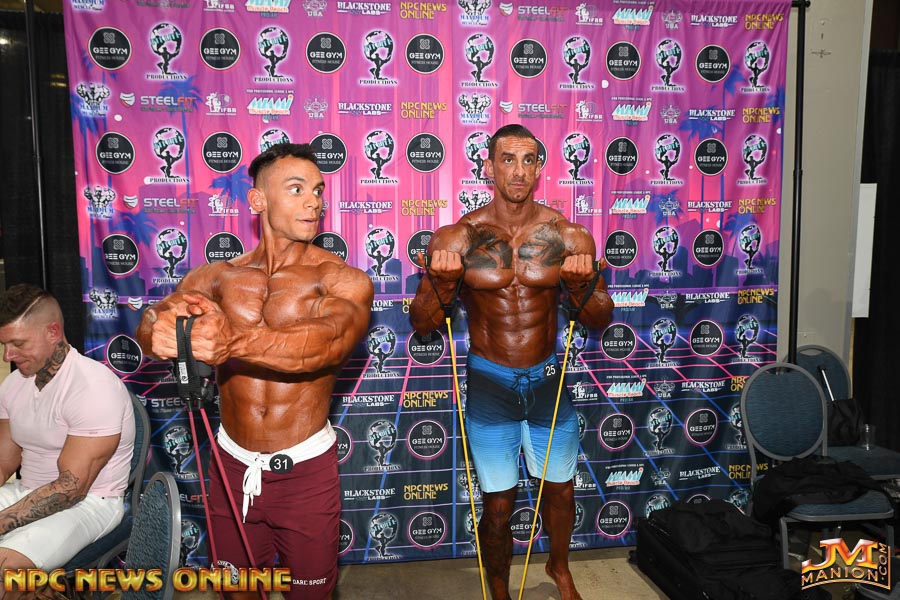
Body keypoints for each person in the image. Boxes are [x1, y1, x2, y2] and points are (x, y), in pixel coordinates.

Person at [136, 143, 374, 599]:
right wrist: (158, 331)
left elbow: (327, 344)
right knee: (238, 592)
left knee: (311, 595)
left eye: (318, 190)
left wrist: (234, 342)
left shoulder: (341, 279)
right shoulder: (215, 278)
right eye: (297, 189)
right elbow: (153, 320)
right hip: (231, 466)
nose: (313, 202)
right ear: (258, 200)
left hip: (304, 471)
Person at [410, 124, 613, 600]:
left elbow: (601, 317)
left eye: (528, 160)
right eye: (507, 159)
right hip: (491, 382)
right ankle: (498, 588)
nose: (518, 171)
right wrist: (443, 283)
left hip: (547, 380)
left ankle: (559, 566)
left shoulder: (569, 235)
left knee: (560, 489)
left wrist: (580, 285)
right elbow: (422, 322)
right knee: (498, 504)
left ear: (539, 168)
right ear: (489, 167)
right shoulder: (458, 237)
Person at [0, 284, 135, 591]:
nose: (8, 354)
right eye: (4, 344)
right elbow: (3, 463)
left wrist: (3, 521)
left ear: (53, 332)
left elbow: (71, 489)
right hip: (25, 491)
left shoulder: (92, 387)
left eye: (18, 343)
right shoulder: (14, 384)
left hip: (89, 504)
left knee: (6, 575)